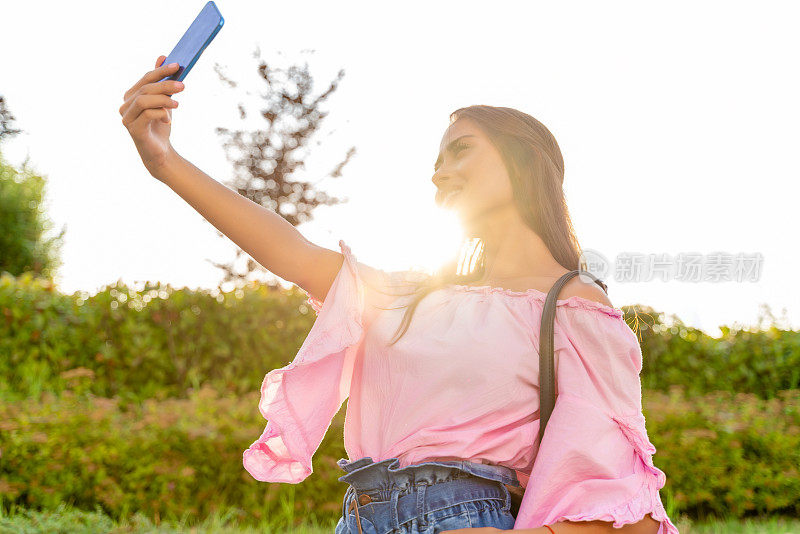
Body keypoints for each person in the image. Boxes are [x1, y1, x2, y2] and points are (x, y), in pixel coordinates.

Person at [120, 56, 680, 534]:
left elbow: (607, 481)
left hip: (468, 514)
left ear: (526, 161)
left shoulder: (573, 305)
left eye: (461, 151)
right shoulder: (410, 295)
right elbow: (291, 252)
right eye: (437, 162)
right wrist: (164, 161)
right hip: (362, 513)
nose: (440, 174)